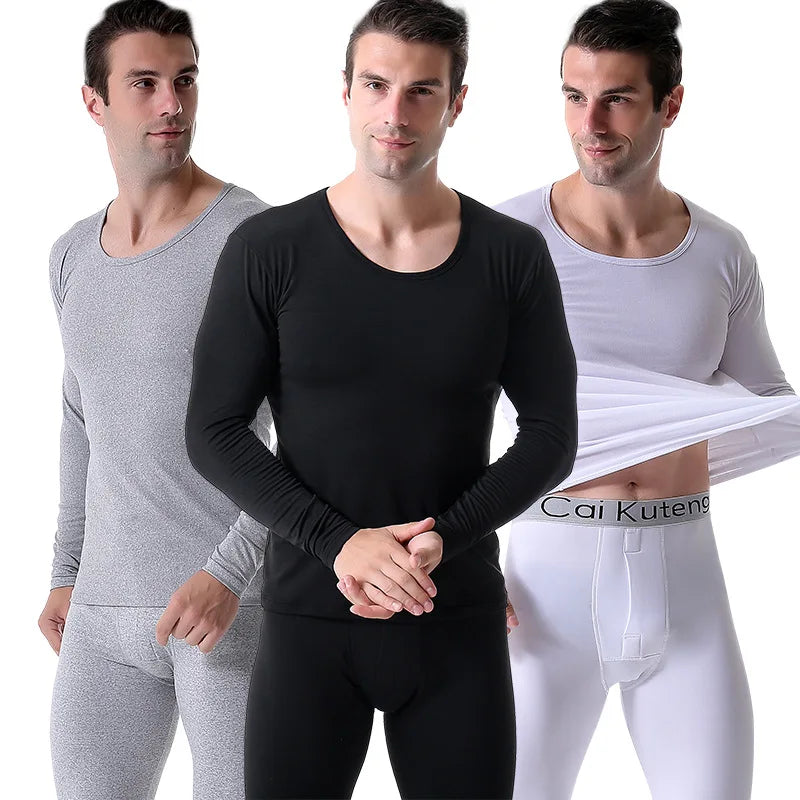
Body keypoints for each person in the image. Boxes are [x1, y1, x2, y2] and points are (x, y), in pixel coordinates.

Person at [184, 1, 578, 797]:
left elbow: (551, 435)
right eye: (376, 85)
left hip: (454, 618)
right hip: (306, 623)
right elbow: (213, 430)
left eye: (422, 91)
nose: (395, 113)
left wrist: (445, 539)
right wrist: (340, 544)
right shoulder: (270, 249)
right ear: (346, 91)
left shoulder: (511, 255)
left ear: (456, 103)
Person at [494, 1, 800, 798]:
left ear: (672, 103)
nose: (589, 124)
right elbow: (429, 411)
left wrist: (647, 434)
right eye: (573, 97)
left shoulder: (722, 252)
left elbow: (768, 409)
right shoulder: (506, 240)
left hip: (686, 573)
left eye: (618, 99)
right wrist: (464, 553)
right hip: (542, 588)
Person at [39, 2, 271, 798]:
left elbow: (314, 432)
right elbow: (80, 415)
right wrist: (65, 571)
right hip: (101, 615)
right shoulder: (72, 254)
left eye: (185, 80)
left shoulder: (253, 239)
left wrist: (231, 571)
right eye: (144, 83)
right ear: (94, 100)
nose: (172, 103)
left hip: (225, 606)